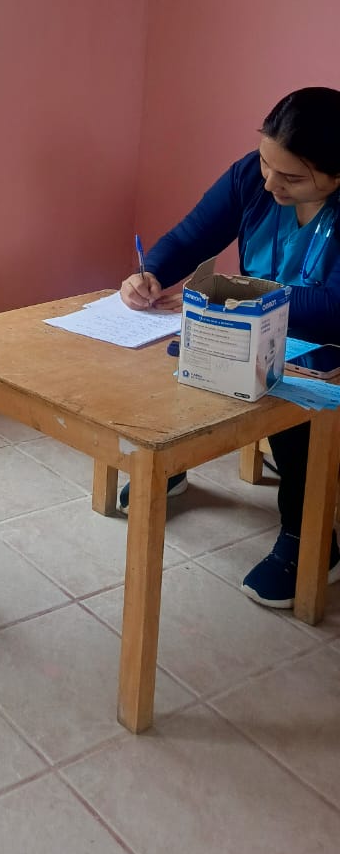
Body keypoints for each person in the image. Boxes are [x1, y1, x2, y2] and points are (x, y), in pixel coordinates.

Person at [119, 87, 340, 608]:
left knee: (291, 395)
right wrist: (151, 274)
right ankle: (172, 463)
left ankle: (310, 539)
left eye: (291, 178)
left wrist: (244, 301)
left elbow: (335, 308)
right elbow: (191, 237)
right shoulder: (250, 179)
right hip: (250, 326)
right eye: (266, 163)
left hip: (326, 347)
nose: (270, 183)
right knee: (180, 351)